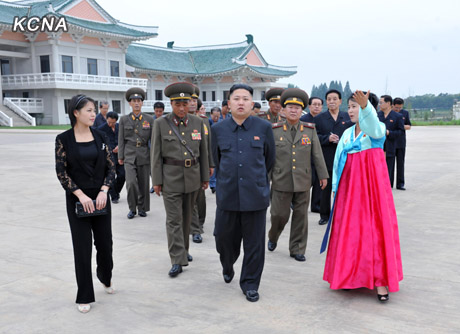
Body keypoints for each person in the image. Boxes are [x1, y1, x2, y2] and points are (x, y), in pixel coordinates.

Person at [322, 90, 403, 302]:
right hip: (349, 190)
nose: (350, 111)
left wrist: (367, 107)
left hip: (372, 189)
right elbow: (338, 161)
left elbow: (374, 128)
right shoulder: (347, 133)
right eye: (349, 106)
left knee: (374, 230)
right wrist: (335, 187)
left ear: (368, 108)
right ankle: (349, 276)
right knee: (350, 230)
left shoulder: (377, 129)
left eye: (355, 106)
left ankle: (380, 282)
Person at [212, 83, 275, 302]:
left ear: (252, 103)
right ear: (228, 104)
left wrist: (255, 180)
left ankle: (250, 283)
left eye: (245, 98)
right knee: (223, 239)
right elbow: (216, 160)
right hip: (228, 195)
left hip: (255, 196)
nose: (241, 102)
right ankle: (227, 263)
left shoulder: (264, 128)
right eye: (236, 98)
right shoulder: (218, 129)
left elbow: (269, 160)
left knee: (255, 244)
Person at [55, 94, 115, 313]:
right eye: (89, 110)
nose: (93, 114)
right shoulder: (63, 139)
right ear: (76, 113)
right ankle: (84, 295)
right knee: (82, 249)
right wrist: (80, 195)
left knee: (105, 246)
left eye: (94, 110)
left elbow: (111, 167)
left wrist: (104, 190)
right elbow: (61, 172)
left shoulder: (100, 136)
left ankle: (105, 276)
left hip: (100, 199)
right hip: (78, 201)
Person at [151, 82, 209, 277]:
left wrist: (204, 177)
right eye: (178, 104)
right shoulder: (160, 123)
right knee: (174, 220)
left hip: (192, 178)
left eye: (185, 103)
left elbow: (203, 152)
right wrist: (157, 181)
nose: (182, 108)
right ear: (171, 104)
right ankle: (177, 259)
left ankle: (183, 251)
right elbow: (155, 155)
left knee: (186, 220)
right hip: (170, 179)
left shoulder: (198, 122)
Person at [268, 88, 328, 262]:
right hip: (281, 179)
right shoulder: (274, 130)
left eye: (297, 107)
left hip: (303, 179)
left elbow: (317, 154)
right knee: (279, 215)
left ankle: (297, 248)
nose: (293, 110)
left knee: (301, 217)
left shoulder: (309, 129)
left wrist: (323, 176)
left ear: (301, 110)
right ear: (283, 110)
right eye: (290, 107)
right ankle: (273, 236)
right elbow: (268, 156)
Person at [314, 89, 352, 225]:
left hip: (344, 158)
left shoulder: (347, 117)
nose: (332, 101)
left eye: (334, 99)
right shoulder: (319, 118)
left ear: (340, 101)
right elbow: (314, 137)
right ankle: (324, 215)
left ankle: (342, 214)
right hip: (327, 158)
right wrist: (327, 138)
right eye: (329, 99)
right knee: (326, 188)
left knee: (344, 188)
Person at [118, 88, 154, 219]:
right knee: (131, 183)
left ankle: (142, 208)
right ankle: (132, 208)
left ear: (142, 103)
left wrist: (154, 156)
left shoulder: (149, 119)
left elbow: (153, 140)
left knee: (144, 184)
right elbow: (121, 139)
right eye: (134, 101)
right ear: (130, 103)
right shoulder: (123, 120)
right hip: (129, 155)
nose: (137, 103)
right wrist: (120, 156)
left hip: (144, 154)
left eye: (139, 101)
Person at [188, 86, 214, 244]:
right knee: (191, 200)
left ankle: (200, 222)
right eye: (189, 100)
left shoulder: (204, 121)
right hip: (185, 165)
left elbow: (208, 145)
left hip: (201, 164)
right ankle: (195, 229)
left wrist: (211, 164)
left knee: (201, 199)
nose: (191, 103)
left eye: (193, 100)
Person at [300, 96, 324, 212]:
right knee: (306, 181)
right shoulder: (303, 120)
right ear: (309, 106)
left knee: (319, 181)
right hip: (305, 155)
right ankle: (295, 202)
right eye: (314, 104)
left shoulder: (324, 119)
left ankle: (316, 205)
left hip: (320, 155)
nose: (317, 106)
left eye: (319, 104)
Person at [377, 95, 404, 188]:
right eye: (379, 102)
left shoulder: (397, 116)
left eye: (381, 102)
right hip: (378, 147)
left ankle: (388, 188)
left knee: (388, 169)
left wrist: (390, 133)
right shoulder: (377, 115)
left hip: (390, 146)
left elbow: (401, 131)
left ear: (388, 103)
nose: (380, 104)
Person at [98, 111, 125, 203]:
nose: (110, 124)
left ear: (116, 121)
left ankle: (115, 192)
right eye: (108, 122)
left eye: (113, 122)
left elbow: (125, 139)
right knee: (111, 177)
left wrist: (120, 147)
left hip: (120, 156)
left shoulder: (120, 127)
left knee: (122, 175)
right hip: (108, 156)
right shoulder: (101, 129)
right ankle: (114, 196)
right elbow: (99, 143)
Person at [392, 97, 411, 190]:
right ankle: (389, 183)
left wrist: (400, 126)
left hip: (401, 141)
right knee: (390, 164)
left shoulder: (405, 113)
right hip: (390, 141)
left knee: (400, 163)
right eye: (396, 108)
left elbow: (409, 126)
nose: (398, 110)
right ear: (392, 105)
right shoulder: (389, 114)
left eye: (400, 108)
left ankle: (400, 184)